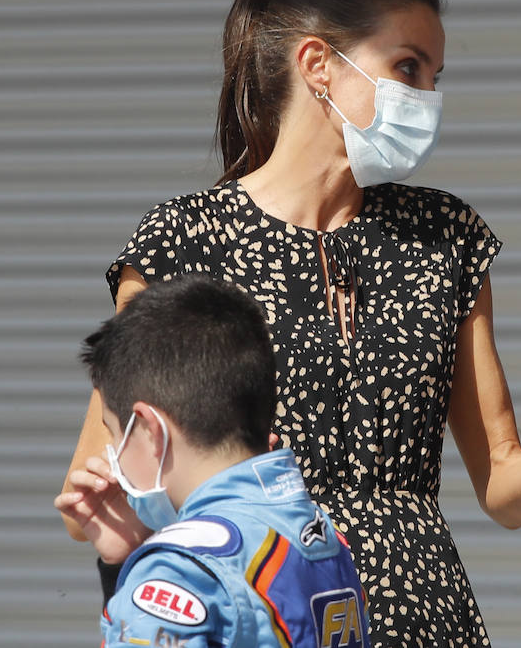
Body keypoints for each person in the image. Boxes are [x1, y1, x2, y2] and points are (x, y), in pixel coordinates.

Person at [58, 0, 521, 648]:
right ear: (317, 65)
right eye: (407, 68)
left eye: (434, 75)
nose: (426, 96)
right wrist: (133, 530)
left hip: (427, 619)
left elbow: (502, 486)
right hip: (266, 610)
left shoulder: (445, 238)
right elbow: (103, 480)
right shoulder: (185, 241)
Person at [56, 274, 373, 648]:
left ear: (150, 429)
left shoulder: (175, 575)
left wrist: (149, 568)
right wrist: (123, 562)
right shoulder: (325, 538)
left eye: (113, 433)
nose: (112, 455)